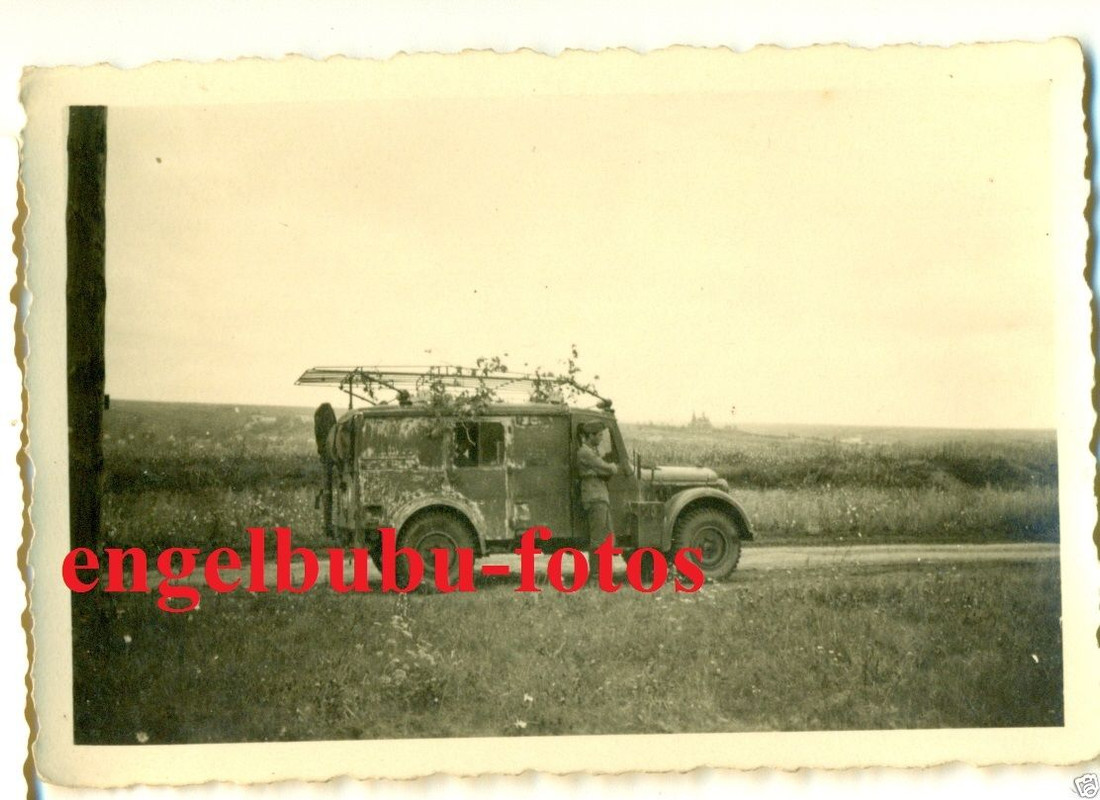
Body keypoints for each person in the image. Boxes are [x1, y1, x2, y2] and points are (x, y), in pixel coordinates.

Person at [575, 421, 630, 586]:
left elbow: (602, 469)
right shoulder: (585, 452)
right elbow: (608, 468)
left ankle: (600, 577)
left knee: (605, 537)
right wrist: (609, 467)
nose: (600, 438)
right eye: (598, 435)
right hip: (595, 497)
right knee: (599, 539)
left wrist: (602, 469)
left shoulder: (591, 451)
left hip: (599, 496)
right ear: (590, 435)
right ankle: (595, 579)